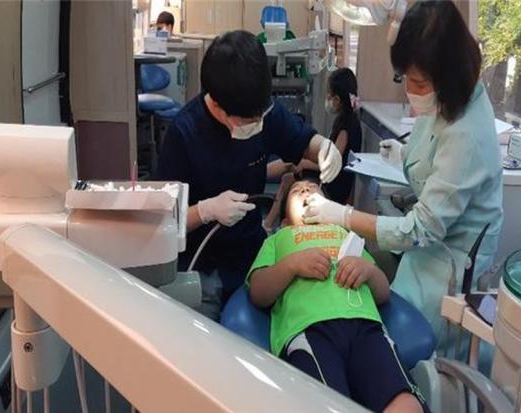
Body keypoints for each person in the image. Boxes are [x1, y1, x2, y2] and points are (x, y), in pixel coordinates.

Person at [302, 0, 504, 340]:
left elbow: (421, 230)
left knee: (413, 345)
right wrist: (403, 154)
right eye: (406, 79)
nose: (411, 91)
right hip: (422, 251)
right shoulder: (445, 101)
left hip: (446, 265)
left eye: (420, 83)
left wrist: (341, 215)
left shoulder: (468, 135)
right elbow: (434, 150)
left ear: (447, 77)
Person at [157, 30, 342, 320]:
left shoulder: (263, 110)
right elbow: (163, 221)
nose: (258, 124)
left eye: (261, 116)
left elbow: (303, 141)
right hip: (203, 262)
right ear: (217, 105)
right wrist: (204, 211)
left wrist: (324, 148)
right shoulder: (184, 133)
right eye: (248, 121)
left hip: (252, 253)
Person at [247, 173, 424, 413]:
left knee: (408, 406)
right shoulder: (279, 239)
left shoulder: (345, 236)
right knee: (329, 406)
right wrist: (291, 265)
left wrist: (369, 271)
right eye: (297, 191)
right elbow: (258, 292)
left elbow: (383, 293)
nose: (306, 191)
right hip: (311, 328)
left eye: (313, 188)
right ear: (286, 221)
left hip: (366, 326)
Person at [323, 68, 362, 204]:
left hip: (335, 187)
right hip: (334, 179)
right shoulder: (347, 120)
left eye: (329, 93)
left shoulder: (346, 126)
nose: (327, 97)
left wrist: (305, 163)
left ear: (337, 99)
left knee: (290, 169)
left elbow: (333, 160)